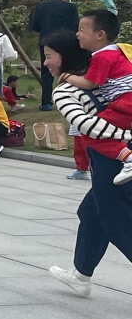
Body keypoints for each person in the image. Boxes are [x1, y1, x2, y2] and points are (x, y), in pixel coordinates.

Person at [42, 30, 132, 297]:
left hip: (112, 160)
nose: (46, 63)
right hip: (118, 154)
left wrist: (124, 137)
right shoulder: (104, 78)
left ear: (65, 56)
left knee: (117, 223)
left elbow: (86, 126)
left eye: (49, 56)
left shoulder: (66, 90)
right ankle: (81, 274)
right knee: (91, 214)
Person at [58, 9, 132, 184]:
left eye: (82, 30)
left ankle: (128, 159)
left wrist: (66, 76)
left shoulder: (102, 57)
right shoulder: (119, 52)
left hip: (124, 104)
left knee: (91, 133)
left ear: (100, 35)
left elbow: (89, 84)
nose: (77, 34)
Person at [30, 0, 79, 110]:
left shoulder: (41, 6)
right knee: (69, 69)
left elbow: (35, 26)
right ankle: (70, 98)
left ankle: (46, 102)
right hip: (66, 42)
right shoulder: (71, 7)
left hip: (46, 42)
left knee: (47, 71)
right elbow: (76, 26)